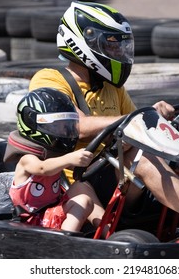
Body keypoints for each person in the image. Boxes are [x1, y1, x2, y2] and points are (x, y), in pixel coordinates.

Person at [28, 1, 179, 235]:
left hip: (121, 175)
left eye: (120, 47)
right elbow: (78, 126)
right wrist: (141, 115)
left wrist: (161, 120)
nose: (118, 53)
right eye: (111, 46)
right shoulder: (50, 79)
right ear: (84, 42)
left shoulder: (112, 87)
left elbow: (138, 129)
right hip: (82, 180)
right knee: (140, 157)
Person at [9, 87, 106, 234]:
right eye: (57, 126)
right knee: (83, 201)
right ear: (33, 124)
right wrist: (69, 159)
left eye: (66, 126)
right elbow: (43, 169)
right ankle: (64, 243)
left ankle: (104, 232)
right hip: (30, 220)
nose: (64, 132)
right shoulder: (26, 159)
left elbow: (84, 169)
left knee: (83, 194)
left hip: (50, 212)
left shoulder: (55, 157)